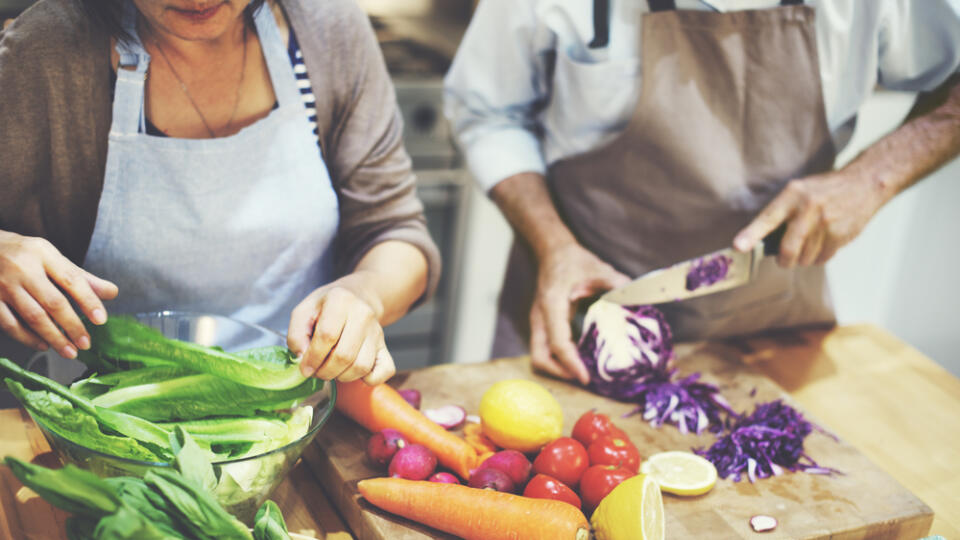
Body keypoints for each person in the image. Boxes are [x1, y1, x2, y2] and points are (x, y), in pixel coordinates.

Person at [445, 0, 960, 384]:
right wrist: (554, 245)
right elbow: (488, 111)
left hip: (769, 330)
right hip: (577, 319)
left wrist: (871, 178)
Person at [0, 0, 440, 385]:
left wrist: (365, 293)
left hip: (293, 419)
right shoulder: (47, 51)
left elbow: (395, 232)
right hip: (104, 428)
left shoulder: (328, 31)